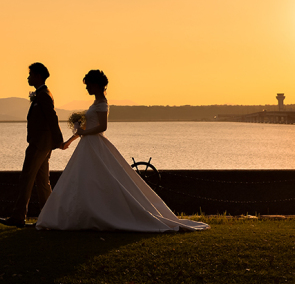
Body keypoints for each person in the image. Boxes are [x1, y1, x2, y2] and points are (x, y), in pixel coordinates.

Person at [36, 69, 209, 232]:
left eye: (88, 84)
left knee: (97, 179)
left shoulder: (102, 103)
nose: (87, 88)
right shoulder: (95, 103)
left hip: (95, 144)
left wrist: (82, 132)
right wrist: (70, 141)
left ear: (96, 85)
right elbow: (88, 126)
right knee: (81, 179)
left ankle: (99, 215)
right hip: (87, 144)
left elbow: (102, 127)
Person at [0, 62, 64, 228]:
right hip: (41, 143)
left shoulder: (44, 95)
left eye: (30, 74)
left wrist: (58, 140)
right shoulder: (41, 94)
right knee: (42, 182)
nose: (28, 77)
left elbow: (52, 118)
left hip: (39, 144)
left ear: (38, 76)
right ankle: (49, 217)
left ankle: (18, 216)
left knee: (26, 178)